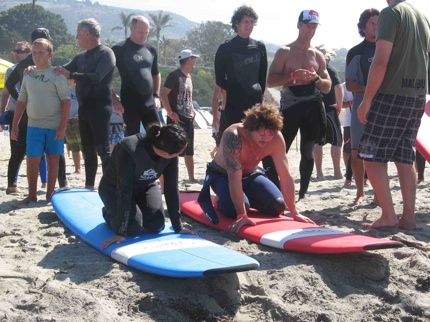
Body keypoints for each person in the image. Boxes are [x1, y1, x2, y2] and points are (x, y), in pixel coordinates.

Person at [356, 0, 430, 230]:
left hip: (391, 93)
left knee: (370, 155)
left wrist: (367, 100)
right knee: (404, 156)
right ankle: (408, 217)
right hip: (417, 94)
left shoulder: (391, 13)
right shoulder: (421, 16)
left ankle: (388, 214)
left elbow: (380, 61)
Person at [198, 104, 315, 234]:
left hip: (251, 174)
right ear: (250, 128)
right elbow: (234, 177)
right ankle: (221, 199)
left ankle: (246, 197)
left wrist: (294, 212)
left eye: (270, 135)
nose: (266, 139)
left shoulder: (276, 138)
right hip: (223, 175)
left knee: (278, 206)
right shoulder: (234, 135)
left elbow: (285, 175)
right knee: (233, 210)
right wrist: (242, 215)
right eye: (262, 135)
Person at [266, 10, 331, 199]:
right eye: (307, 26)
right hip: (290, 105)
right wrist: (293, 76)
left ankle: (302, 192)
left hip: (312, 104)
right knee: (278, 148)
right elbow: (270, 81)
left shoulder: (317, 55)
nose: (310, 31)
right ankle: (273, 188)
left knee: (308, 150)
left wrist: (316, 78)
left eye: (314, 27)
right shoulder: (285, 51)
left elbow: (327, 87)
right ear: (299, 25)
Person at [99, 123, 193, 249]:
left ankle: (134, 211)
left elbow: (171, 188)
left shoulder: (170, 150)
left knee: (156, 225)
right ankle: (108, 212)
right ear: (165, 153)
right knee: (132, 227)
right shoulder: (128, 148)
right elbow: (124, 190)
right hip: (114, 188)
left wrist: (178, 226)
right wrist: (120, 232)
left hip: (146, 186)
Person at [54, 18, 115, 190]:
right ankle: (89, 186)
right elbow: (62, 71)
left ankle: (111, 185)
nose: (76, 38)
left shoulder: (106, 53)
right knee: (88, 150)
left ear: (87, 34)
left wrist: (71, 74)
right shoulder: (80, 57)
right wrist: (44, 70)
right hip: (84, 109)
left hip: (100, 109)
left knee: (103, 150)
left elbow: (97, 77)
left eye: (78, 34)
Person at [10, 38, 70, 203]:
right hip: (34, 124)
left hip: (54, 125)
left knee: (53, 159)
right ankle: (32, 194)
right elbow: (22, 100)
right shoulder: (29, 73)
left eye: (41, 53)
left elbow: (66, 102)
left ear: (50, 55)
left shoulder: (57, 75)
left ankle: (50, 194)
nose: (37, 56)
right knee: (32, 159)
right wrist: (14, 125)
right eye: (34, 53)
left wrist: (62, 127)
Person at [3, 33, 56, 194]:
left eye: (21, 50)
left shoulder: (51, 68)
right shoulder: (17, 68)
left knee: (46, 150)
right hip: (21, 113)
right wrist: (22, 100)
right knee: (18, 151)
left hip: (42, 114)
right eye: (16, 51)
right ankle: (12, 184)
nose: (18, 53)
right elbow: (8, 89)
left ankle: (54, 183)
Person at [213, 5, 267, 139]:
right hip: (234, 102)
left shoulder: (259, 47)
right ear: (237, 23)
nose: (249, 25)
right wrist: (232, 88)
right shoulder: (226, 47)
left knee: (253, 139)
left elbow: (262, 76)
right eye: (245, 22)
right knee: (235, 140)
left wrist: (260, 93)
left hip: (254, 101)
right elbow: (219, 78)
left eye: (252, 22)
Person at [345, 8, 380, 206]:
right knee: (357, 151)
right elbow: (349, 84)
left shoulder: (389, 48)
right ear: (363, 27)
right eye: (372, 23)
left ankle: (378, 193)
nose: (376, 26)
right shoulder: (356, 52)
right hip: (361, 105)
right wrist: (370, 88)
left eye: (379, 23)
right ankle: (360, 192)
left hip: (384, 105)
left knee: (379, 152)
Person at [111, 15, 161, 136]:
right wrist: (114, 100)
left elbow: (156, 74)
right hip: (129, 104)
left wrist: (156, 95)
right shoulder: (119, 49)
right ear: (131, 28)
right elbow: (105, 77)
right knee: (132, 140)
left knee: (158, 137)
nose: (143, 35)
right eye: (140, 32)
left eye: (146, 32)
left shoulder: (151, 50)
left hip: (149, 103)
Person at [160, 49, 199, 183]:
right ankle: (167, 179)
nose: (195, 62)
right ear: (188, 59)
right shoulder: (174, 75)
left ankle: (191, 178)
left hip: (188, 117)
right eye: (194, 59)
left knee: (189, 150)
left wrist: (193, 111)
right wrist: (171, 113)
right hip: (176, 118)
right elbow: (163, 93)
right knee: (171, 150)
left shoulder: (189, 76)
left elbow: (189, 97)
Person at [313, 44, 344, 180]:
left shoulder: (313, 70)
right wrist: (339, 105)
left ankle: (319, 173)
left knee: (318, 142)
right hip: (329, 108)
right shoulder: (329, 70)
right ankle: (337, 172)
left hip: (314, 108)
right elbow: (338, 88)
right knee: (336, 140)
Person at [65, 79, 82, 174]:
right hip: (67, 120)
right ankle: (77, 168)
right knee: (73, 146)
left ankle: (87, 167)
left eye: (68, 79)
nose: (66, 80)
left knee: (83, 145)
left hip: (78, 120)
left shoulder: (79, 89)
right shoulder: (64, 90)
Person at [341, 82, 354, 187]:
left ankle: (364, 176)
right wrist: (352, 102)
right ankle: (348, 171)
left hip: (364, 121)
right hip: (349, 122)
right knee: (347, 149)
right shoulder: (344, 86)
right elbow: (340, 103)